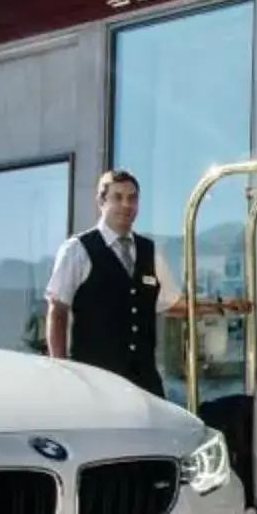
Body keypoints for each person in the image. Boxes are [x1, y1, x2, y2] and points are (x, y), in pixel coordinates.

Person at [45, 169, 175, 395]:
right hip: (95, 383)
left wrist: (222, 306)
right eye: (118, 197)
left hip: (146, 385)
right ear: (101, 202)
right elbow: (57, 311)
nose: (126, 205)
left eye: (132, 198)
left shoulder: (151, 251)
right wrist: (62, 370)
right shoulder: (77, 249)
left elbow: (172, 304)